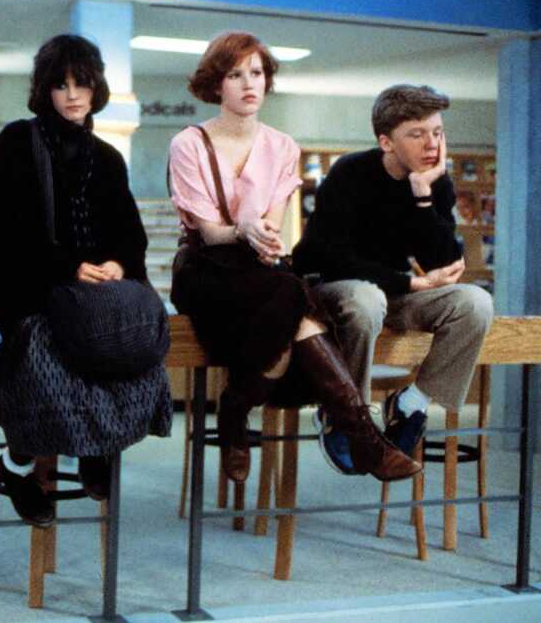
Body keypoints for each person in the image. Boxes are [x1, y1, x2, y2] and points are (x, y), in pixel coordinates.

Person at [168, 32, 421, 484]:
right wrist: (243, 230)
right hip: (205, 267)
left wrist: (260, 237)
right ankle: (361, 436)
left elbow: (271, 226)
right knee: (294, 303)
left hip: (258, 269)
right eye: (235, 74)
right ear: (216, 84)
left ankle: (238, 411)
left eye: (257, 73)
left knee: (288, 305)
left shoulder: (283, 146)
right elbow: (208, 232)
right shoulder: (189, 143)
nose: (249, 83)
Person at [0, 35, 172, 527]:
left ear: (95, 88)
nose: (72, 95)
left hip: (94, 295)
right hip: (31, 290)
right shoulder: (16, 141)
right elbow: (5, 228)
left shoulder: (107, 157)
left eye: (81, 83)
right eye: (61, 84)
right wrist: (67, 266)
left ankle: (98, 447)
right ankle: (18, 467)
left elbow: (130, 233)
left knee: (132, 346)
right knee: (45, 353)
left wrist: (118, 264)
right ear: (44, 89)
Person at [293, 84, 493, 471]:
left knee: (476, 303)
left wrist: (423, 196)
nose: (431, 144)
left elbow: (444, 262)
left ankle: (411, 404)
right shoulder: (349, 172)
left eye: (437, 132)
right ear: (386, 142)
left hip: (393, 294)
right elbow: (329, 257)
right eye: (417, 134)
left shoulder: (435, 181)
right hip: (337, 289)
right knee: (367, 298)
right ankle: (345, 414)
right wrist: (411, 283)